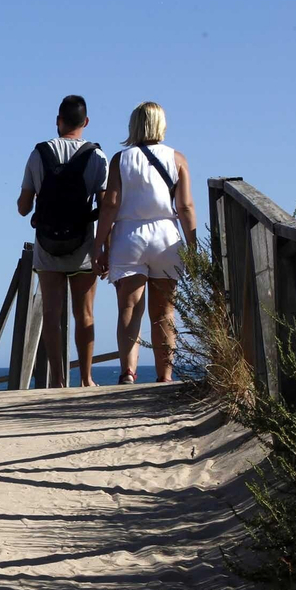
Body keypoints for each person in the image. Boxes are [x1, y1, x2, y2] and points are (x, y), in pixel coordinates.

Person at [92, 101, 198, 384]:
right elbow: (185, 207)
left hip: (129, 236)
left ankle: (128, 371)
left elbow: (110, 205)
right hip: (166, 234)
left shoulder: (120, 159)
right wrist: (193, 245)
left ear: (134, 125)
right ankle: (165, 375)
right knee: (164, 310)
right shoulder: (177, 159)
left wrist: (99, 244)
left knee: (129, 308)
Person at [18, 94, 109, 387]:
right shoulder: (97, 156)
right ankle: (86, 378)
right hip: (83, 244)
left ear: (58, 121)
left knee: (51, 313)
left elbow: (23, 207)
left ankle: (57, 380)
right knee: (84, 313)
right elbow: (106, 205)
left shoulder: (39, 153)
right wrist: (102, 247)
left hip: (47, 244)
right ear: (86, 122)